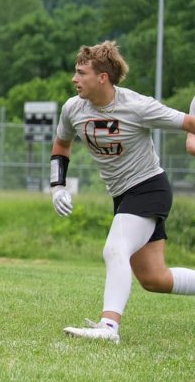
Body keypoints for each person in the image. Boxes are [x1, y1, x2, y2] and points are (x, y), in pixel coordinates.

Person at [50, 41, 195, 343]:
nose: (74, 79)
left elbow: (189, 123)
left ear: (102, 77)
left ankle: (108, 328)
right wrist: (58, 186)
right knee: (154, 278)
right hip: (123, 196)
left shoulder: (138, 106)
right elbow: (62, 145)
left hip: (149, 188)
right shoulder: (73, 108)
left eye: (81, 73)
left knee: (114, 249)